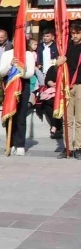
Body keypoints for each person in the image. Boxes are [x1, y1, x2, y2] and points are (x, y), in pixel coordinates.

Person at [0, 41, 36, 156]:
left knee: (21, 115)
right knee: (10, 114)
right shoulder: (7, 54)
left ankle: (20, 144)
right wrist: (10, 64)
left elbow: (30, 73)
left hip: (23, 85)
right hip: (10, 85)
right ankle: (10, 143)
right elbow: (1, 72)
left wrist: (22, 69)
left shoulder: (28, 54)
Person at [55, 23, 81, 159]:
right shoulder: (66, 47)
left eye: (77, 33)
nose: (74, 36)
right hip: (67, 85)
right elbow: (57, 68)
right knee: (67, 120)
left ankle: (78, 147)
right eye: (73, 33)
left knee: (80, 120)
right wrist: (58, 63)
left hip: (80, 85)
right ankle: (68, 148)